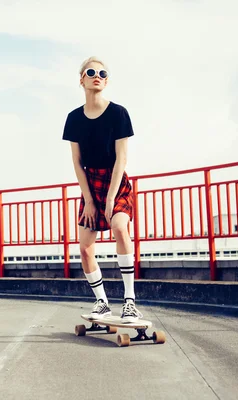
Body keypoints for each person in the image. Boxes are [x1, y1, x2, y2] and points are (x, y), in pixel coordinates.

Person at [62, 56, 143, 323]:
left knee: (120, 227)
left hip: (116, 181)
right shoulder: (73, 118)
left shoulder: (119, 113)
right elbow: (76, 161)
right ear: (81, 79)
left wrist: (110, 198)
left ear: (106, 81)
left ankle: (129, 301)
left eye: (102, 73)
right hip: (90, 183)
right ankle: (102, 302)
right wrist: (89, 199)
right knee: (85, 247)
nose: (97, 76)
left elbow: (121, 159)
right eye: (91, 72)